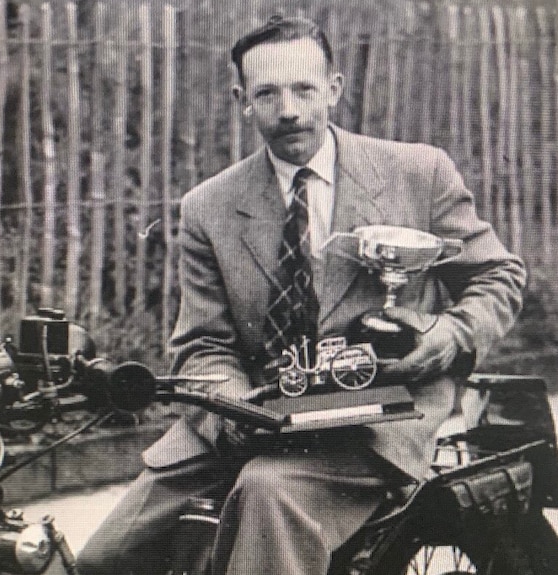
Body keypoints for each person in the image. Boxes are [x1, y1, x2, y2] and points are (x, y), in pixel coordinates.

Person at [77, 14, 525, 575]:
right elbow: (201, 345)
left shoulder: (417, 172)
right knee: (105, 559)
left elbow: (497, 278)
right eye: (267, 92)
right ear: (243, 100)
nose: (288, 109)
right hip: (245, 421)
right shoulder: (208, 207)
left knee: (269, 496)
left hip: (374, 420)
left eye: (304, 88)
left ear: (333, 89)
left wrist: (445, 336)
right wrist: (235, 406)